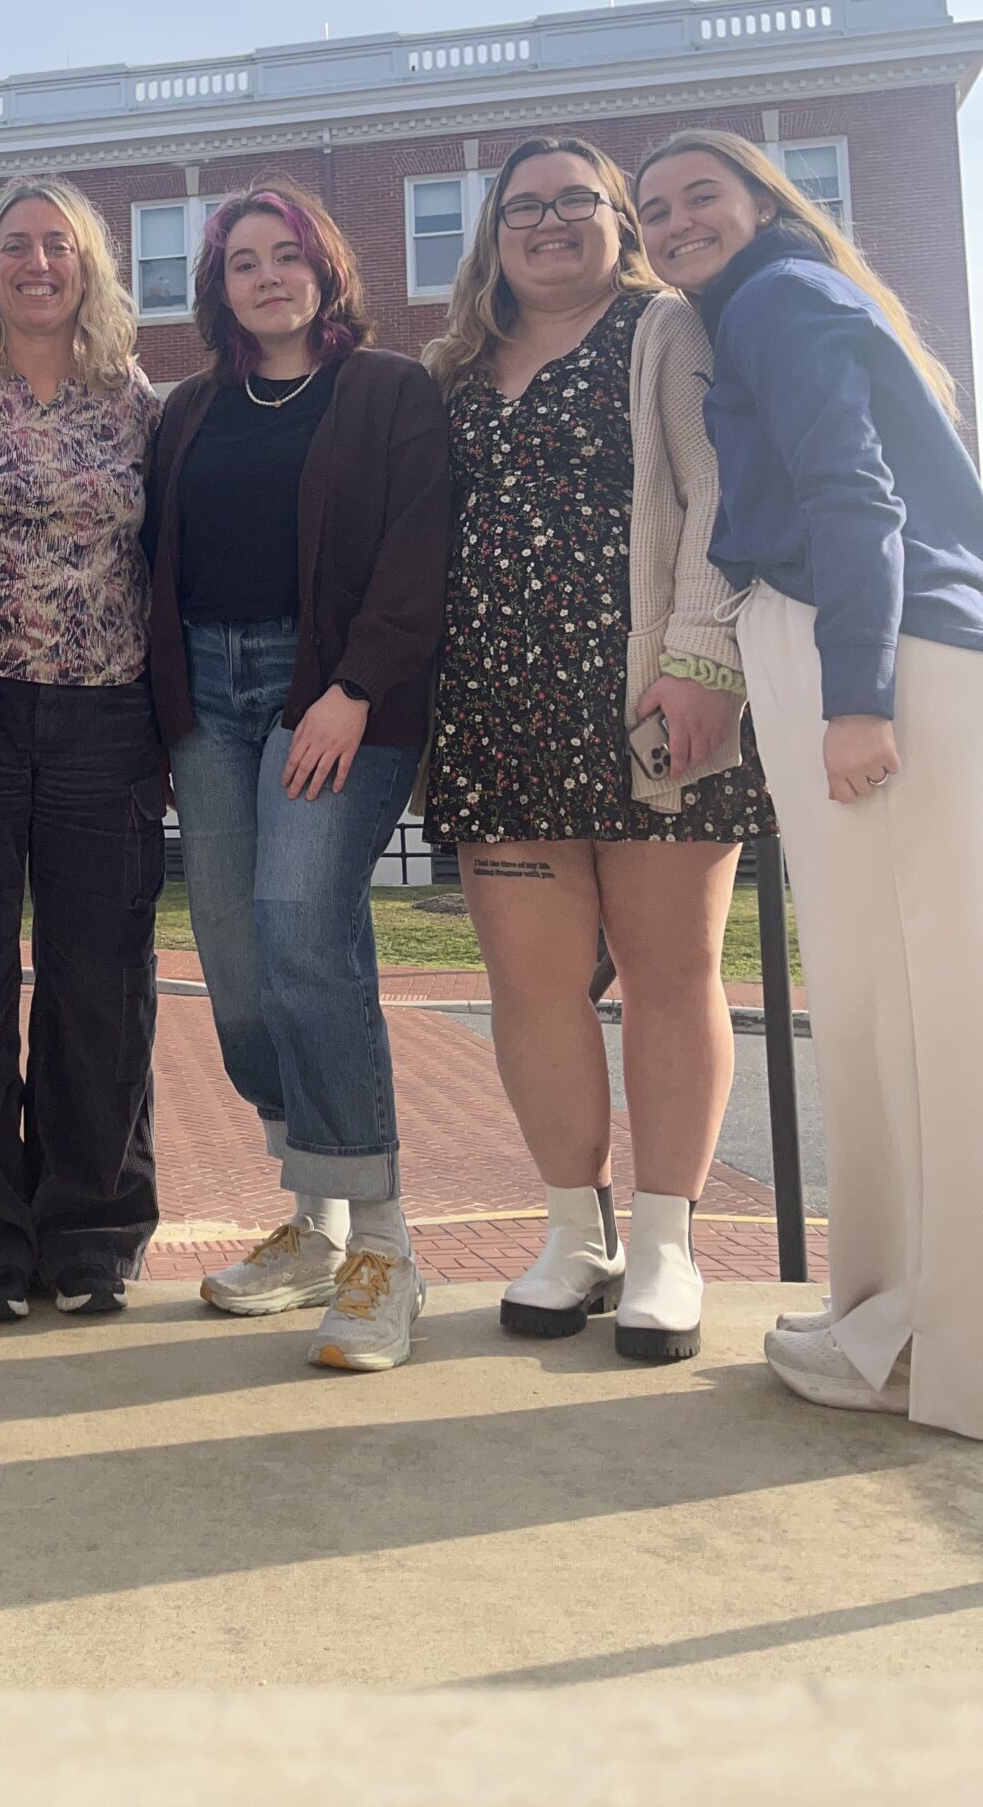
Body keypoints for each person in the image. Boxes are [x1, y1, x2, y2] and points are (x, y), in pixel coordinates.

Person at [635, 129, 983, 1436]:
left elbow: (856, 492)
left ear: (765, 202)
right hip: (872, 644)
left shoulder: (781, 298)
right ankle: (888, 1323)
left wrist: (853, 700)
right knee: (890, 1006)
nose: (672, 224)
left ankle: (937, 1346)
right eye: (653, 211)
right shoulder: (781, 302)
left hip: (876, 653)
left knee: (923, 1012)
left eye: (698, 197)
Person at [420, 136, 772, 1365]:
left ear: (619, 222)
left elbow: (717, 492)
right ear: (495, 233)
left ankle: (668, 1245)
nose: (552, 222)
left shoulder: (665, 332)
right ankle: (577, 1232)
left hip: (648, 700)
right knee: (534, 984)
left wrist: (703, 660)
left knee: (673, 971)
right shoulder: (451, 367)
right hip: (495, 710)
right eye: (527, 206)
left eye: (581, 201)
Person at [145, 183, 450, 1372]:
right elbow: (157, 563)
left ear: (326, 268)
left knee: (302, 929)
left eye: (287, 256)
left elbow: (418, 550)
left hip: (331, 692)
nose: (266, 276)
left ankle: (383, 1244)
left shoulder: (387, 392)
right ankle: (314, 1220)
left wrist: (356, 684)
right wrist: (166, 714)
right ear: (216, 287)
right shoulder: (190, 409)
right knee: (231, 959)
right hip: (207, 705)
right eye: (242, 263)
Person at [0, 178, 164, 1320]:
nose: (38, 263)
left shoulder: (137, 402)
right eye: (17, 245)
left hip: (106, 715)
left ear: (92, 267)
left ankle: (93, 1230)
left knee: (99, 979)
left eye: (60, 246)